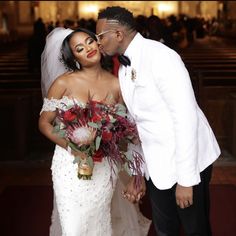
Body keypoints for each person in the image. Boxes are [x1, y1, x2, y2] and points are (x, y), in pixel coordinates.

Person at [96, 6, 221, 236]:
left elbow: (185, 119)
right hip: (156, 163)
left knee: (196, 229)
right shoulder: (124, 67)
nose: (98, 43)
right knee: (165, 229)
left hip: (189, 160)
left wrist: (186, 180)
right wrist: (137, 171)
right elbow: (135, 125)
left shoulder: (162, 57)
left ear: (118, 34)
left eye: (100, 36)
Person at [39, 27, 151, 236]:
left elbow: (128, 132)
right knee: (73, 227)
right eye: (79, 48)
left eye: (89, 41)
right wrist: (73, 148)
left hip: (104, 166)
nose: (88, 49)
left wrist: (136, 175)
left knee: (98, 221)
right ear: (74, 57)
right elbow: (44, 123)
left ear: (98, 43)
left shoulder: (117, 84)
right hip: (68, 165)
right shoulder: (63, 82)